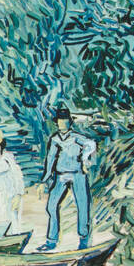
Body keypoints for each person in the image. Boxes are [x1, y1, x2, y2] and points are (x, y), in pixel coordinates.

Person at [39, 108, 96, 252]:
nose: (62, 123)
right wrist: (44, 179)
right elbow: (50, 159)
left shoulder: (76, 137)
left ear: (69, 122)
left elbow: (91, 144)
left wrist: (84, 159)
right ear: (57, 122)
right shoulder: (55, 139)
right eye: (59, 120)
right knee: (51, 205)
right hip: (61, 174)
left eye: (64, 120)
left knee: (82, 205)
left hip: (77, 174)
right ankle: (51, 240)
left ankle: (84, 239)